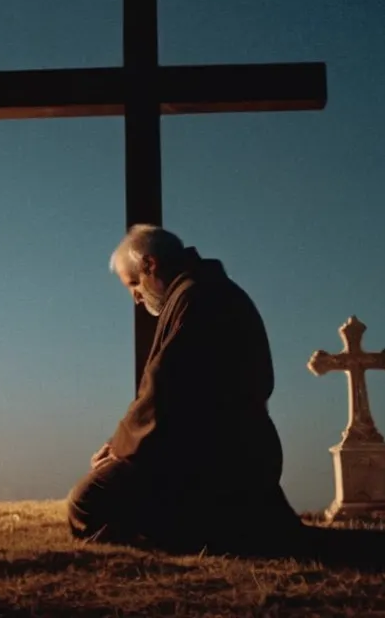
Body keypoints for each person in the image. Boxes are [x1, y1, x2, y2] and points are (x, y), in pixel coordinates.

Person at [66, 224, 303, 553]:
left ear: (150, 265)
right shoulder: (204, 291)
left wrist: (120, 447)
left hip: (216, 457)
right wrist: (119, 443)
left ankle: (196, 535)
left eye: (134, 283)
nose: (135, 298)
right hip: (227, 449)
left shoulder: (198, 297)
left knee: (85, 502)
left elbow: (166, 389)